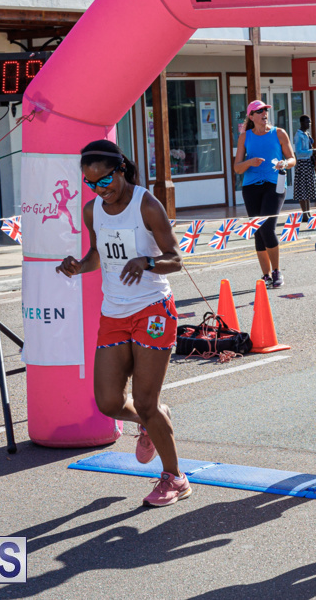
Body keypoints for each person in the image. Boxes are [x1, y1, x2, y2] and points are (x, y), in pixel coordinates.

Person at [56, 140, 190, 507]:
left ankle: (175, 478)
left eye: (105, 180)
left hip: (153, 308)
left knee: (146, 400)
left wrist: (146, 262)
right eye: (91, 183)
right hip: (114, 312)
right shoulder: (92, 211)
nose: (100, 189)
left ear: (121, 170)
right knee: (109, 402)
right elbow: (97, 255)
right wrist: (78, 266)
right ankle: (151, 420)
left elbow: (176, 259)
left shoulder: (146, 204)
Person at [233, 100, 296, 288]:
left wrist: (284, 163)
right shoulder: (245, 137)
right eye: (259, 111)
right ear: (251, 116)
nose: (264, 114)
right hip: (251, 187)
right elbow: (237, 168)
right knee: (257, 230)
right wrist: (250, 162)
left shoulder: (279, 133)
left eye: (265, 110)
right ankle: (266, 275)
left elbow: (292, 159)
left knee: (267, 227)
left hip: (275, 184)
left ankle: (276, 271)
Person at [293, 115, 316, 222]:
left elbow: (309, 148)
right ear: (301, 123)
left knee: (308, 190)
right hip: (302, 164)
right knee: (302, 190)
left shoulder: (307, 134)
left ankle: (308, 212)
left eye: (310, 122)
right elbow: (299, 152)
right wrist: (313, 152)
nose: (309, 124)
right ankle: (304, 214)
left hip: (308, 164)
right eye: (306, 122)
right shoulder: (298, 135)